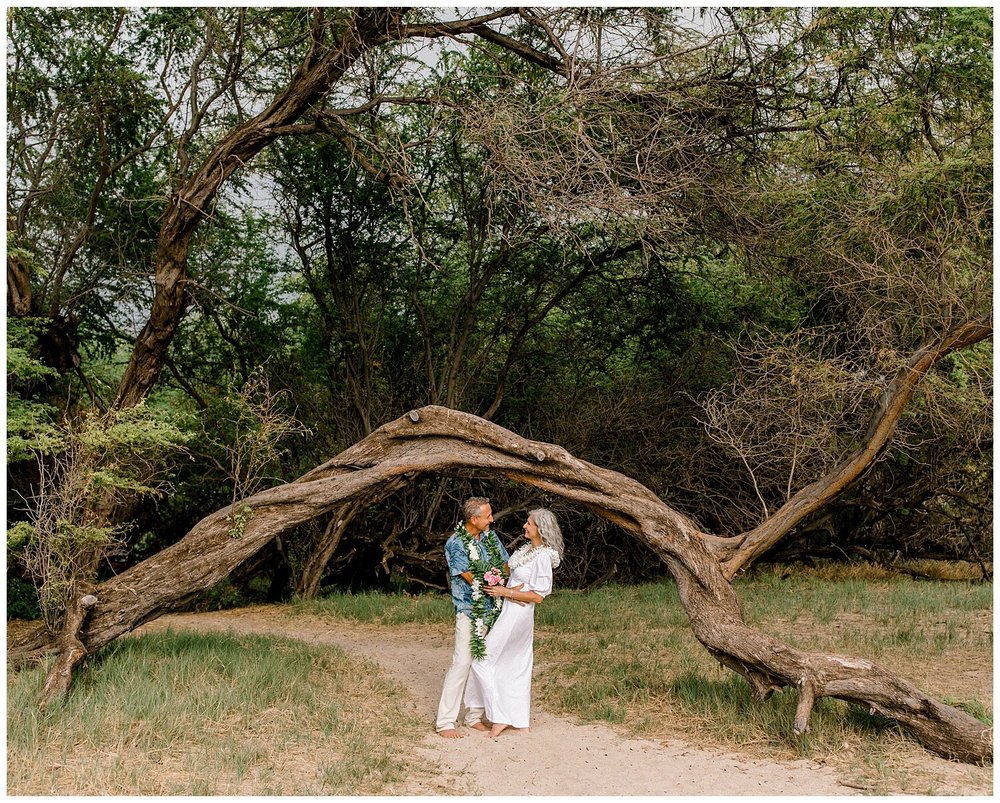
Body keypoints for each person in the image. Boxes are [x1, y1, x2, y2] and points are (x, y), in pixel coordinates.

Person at [465, 508, 562, 738]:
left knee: (482, 658)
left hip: (518, 614)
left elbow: (539, 596)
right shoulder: (527, 550)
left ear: (540, 529)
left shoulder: (543, 557)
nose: (524, 526)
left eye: (529, 523)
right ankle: (518, 718)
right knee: (511, 663)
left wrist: (505, 592)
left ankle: (500, 717)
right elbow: (513, 575)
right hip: (510, 609)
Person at [435, 496, 512, 738]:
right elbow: (471, 577)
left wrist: (499, 578)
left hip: (495, 609)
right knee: (462, 662)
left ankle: (473, 716)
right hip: (470, 610)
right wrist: (494, 578)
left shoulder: (490, 536)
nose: (492, 519)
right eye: (487, 516)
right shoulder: (456, 543)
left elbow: (506, 565)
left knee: (485, 661)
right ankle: (445, 722)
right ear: (473, 519)